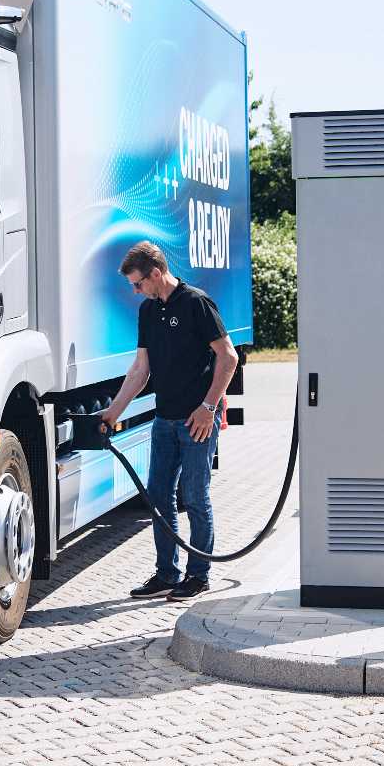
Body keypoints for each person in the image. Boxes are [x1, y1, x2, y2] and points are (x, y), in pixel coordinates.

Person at [100, 241, 239, 601]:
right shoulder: (148, 311)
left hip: (198, 419)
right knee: (158, 495)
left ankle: (198, 575)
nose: (135, 291)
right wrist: (113, 412)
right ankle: (167, 573)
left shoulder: (196, 303)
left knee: (194, 496)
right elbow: (140, 369)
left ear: (156, 273)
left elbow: (228, 357)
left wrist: (209, 407)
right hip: (165, 418)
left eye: (138, 284)